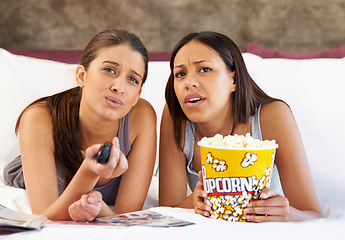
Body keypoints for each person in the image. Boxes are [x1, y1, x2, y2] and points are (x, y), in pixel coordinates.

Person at [159, 31, 323, 222]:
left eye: (204, 69)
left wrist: (287, 214)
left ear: (233, 80)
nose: (189, 82)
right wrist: (194, 201)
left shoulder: (273, 116)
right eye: (180, 74)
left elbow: (313, 214)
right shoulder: (175, 116)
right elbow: (167, 209)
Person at [3, 29, 156, 221]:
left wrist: (99, 210)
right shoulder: (37, 119)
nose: (119, 87)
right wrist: (90, 171)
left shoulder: (142, 115)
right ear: (81, 76)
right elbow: (45, 217)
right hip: (32, 149)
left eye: (132, 79)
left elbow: (126, 216)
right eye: (110, 70)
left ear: (137, 96)